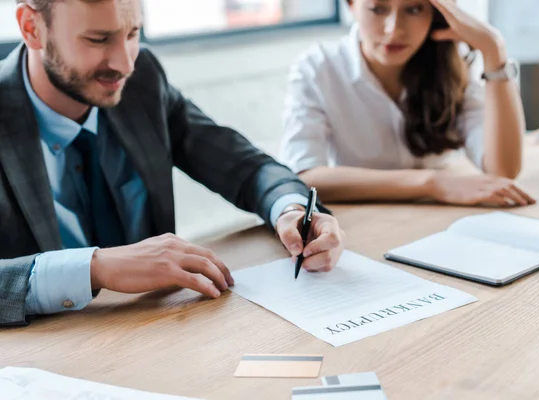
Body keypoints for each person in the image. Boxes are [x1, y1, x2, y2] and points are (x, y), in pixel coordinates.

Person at [0, 0, 345, 327]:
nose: (124, 63)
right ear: (32, 28)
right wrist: (94, 268)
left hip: (158, 327)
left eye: (133, 33)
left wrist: (290, 210)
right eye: (98, 39)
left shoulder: (141, 78)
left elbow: (242, 164)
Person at [281, 0, 536, 207]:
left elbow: (502, 169)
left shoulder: (452, 64)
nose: (393, 29)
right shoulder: (318, 68)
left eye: (414, 9)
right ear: (351, 6)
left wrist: (493, 51)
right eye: (377, 8)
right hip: (360, 224)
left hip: (441, 220)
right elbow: (305, 176)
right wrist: (432, 183)